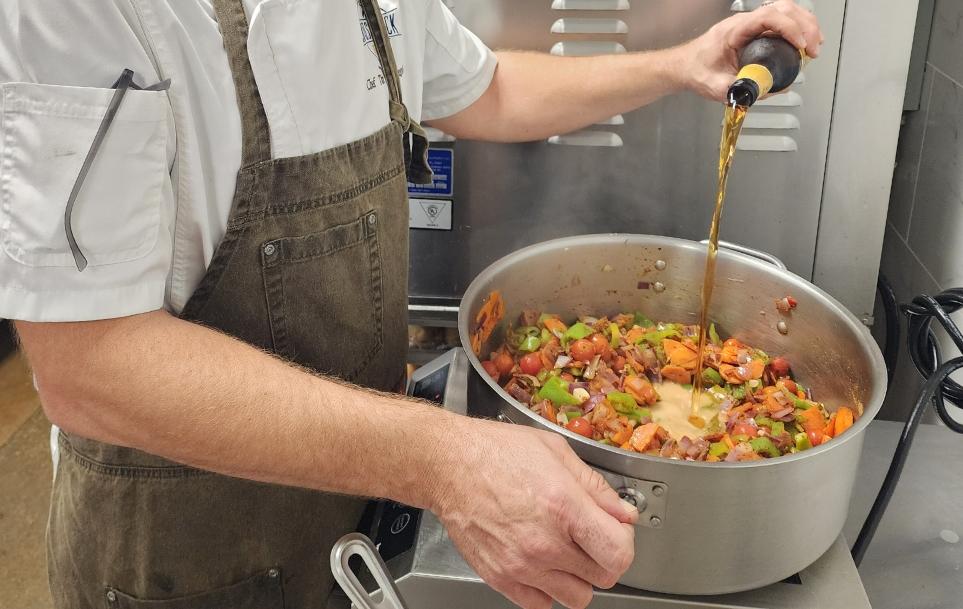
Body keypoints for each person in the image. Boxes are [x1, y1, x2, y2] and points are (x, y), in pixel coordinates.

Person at [0, 1, 822, 608]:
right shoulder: (77, 13)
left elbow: (487, 88)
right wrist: (445, 460)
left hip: (354, 506)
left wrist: (678, 65)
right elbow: (91, 365)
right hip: (181, 560)